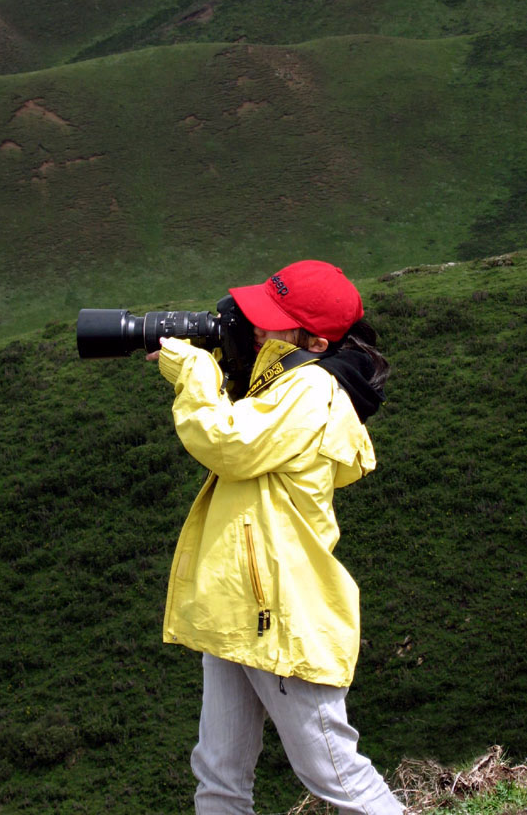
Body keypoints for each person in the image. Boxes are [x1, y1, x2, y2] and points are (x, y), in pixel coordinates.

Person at [147, 260, 404, 815]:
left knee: (332, 770)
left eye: (272, 321)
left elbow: (228, 443)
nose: (257, 327)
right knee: (218, 770)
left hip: (277, 610)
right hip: (241, 605)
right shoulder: (285, 383)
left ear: (313, 339)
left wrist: (193, 374)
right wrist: (220, 363)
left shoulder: (311, 387)